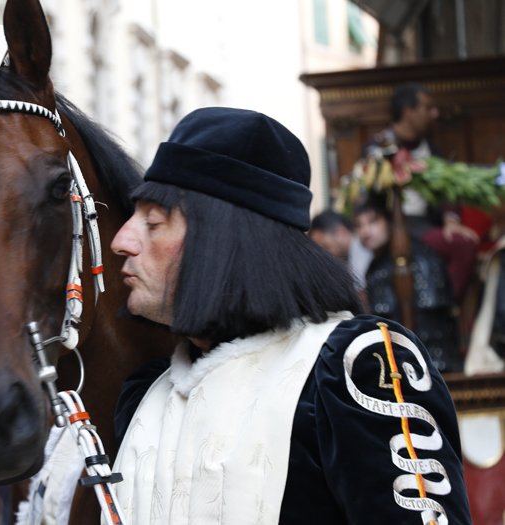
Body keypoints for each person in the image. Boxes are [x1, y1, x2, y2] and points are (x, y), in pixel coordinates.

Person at [108, 108, 471, 524]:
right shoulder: (146, 392)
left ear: (224, 242)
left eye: (154, 221)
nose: (122, 240)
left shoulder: (356, 367)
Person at [364, 82, 478, 302]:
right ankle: (443, 311)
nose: (434, 114)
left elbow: (446, 189)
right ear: (409, 112)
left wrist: (450, 219)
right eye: (428, 108)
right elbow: (367, 197)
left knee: (465, 242)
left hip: (427, 224)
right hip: (395, 224)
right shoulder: (378, 149)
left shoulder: (432, 149)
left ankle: (444, 309)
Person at [353, 196, 463, 373]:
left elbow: (429, 323)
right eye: (359, 225)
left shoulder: (418, 259)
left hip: (433, 368)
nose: (365, 232)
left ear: (389, 221)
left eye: (373, 222)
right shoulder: (376, 266)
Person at [308, 210, 372, 290]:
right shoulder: (350, 257)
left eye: (325, 247)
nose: (325, 255)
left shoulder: (364, 248)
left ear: (341, 232)